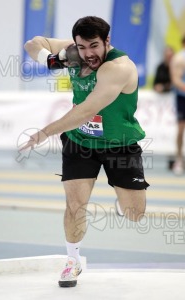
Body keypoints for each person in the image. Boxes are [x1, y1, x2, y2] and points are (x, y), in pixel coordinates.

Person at [22, 16, 149, 287]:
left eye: (94, 46)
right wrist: (51, 59)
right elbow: (32, 43)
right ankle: (73, 261)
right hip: (81, 142)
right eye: (82, 47)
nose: (88, 53)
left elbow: (86, 111)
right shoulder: (74, 52)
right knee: (74, 205)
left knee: (134, 213)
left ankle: (123, 198)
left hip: (120, 144)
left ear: (107, 42)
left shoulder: (118, 68)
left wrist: (44, 132)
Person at [170, 36, 185, 175]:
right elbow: (175, 80)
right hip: (182, 98)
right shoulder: (180, 58)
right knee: (181, 130)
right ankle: (179, 160)